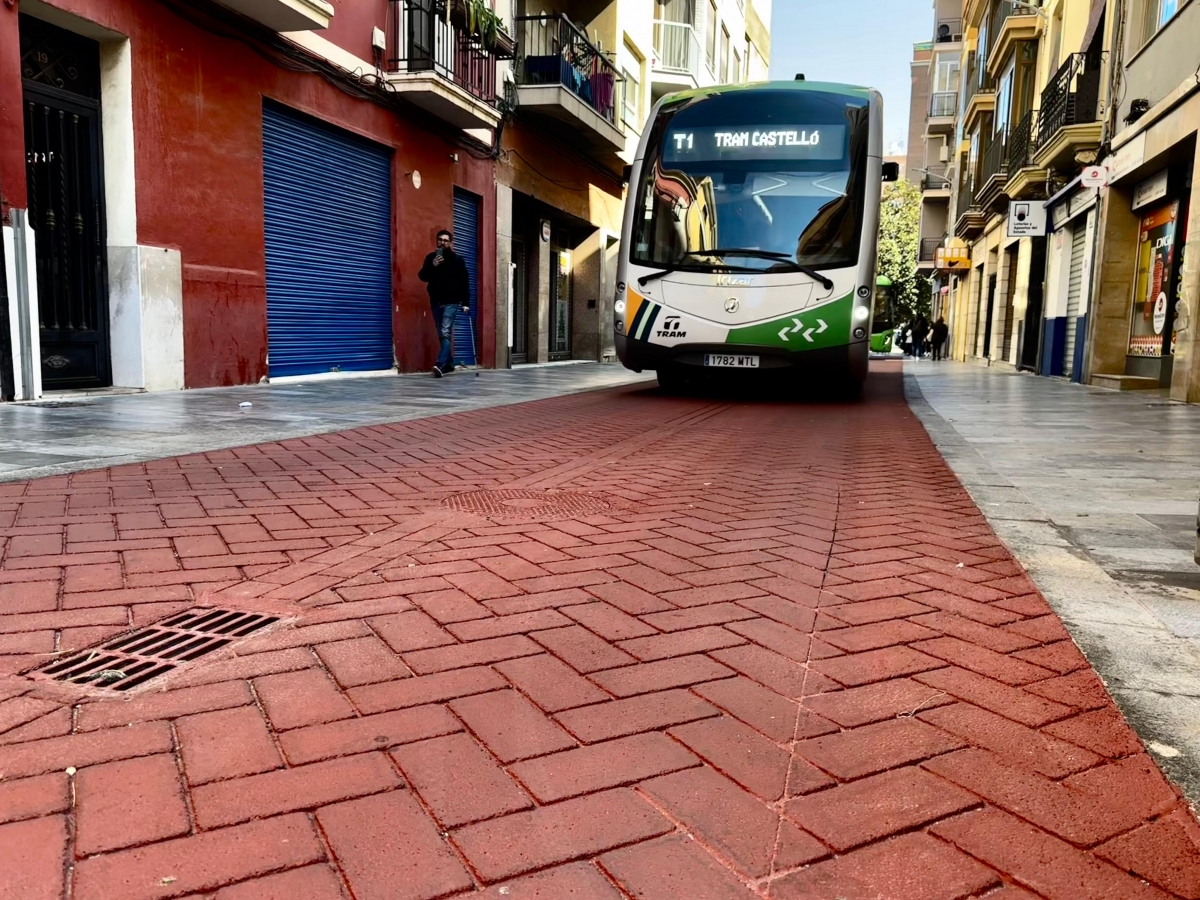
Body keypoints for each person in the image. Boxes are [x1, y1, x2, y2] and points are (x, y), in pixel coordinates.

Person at [419, 229, 471, 377]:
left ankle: (440, 364)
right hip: (436, 301)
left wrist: (465, 303)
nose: (442, 242)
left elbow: (464, 282)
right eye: (440, 240)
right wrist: (433, 265)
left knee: (445, 332)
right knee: (441, 334)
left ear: (450, 243)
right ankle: (449, 364)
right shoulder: (431, 258)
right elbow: (422, 276)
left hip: (452, 302)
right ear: (437, 241)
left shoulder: (457, 261)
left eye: (445, 240)